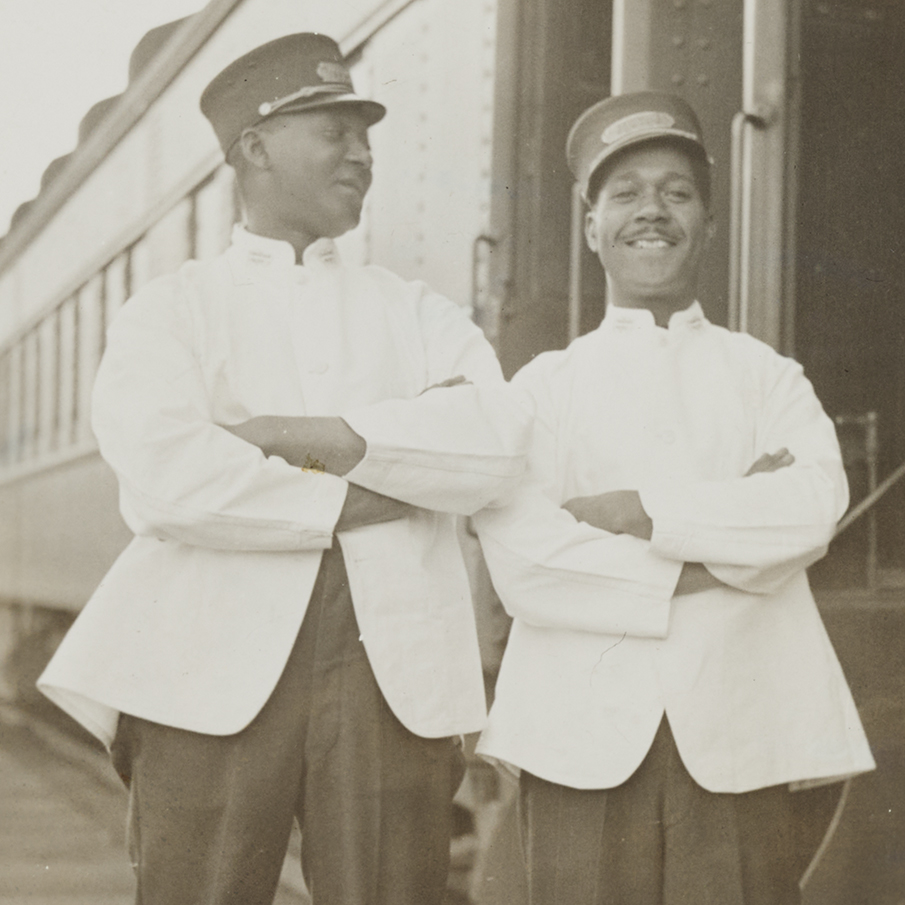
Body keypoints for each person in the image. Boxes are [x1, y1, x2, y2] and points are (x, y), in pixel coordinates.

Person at [38, 32, 530, 905]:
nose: (362, 153)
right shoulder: (172, 312)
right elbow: (167, 480)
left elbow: (493, 445)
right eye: (333, 131)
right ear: (254, 148)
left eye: (365, 134)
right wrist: (388, 483)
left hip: (390, 678)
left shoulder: (417, 311)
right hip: (204, 678)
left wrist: (308, 437)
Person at [472, 92, 875, 905]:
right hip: (577, 737)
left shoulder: (767, 375)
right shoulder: (540, 389)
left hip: (739, 730)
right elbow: (528, 569)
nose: (651, 211)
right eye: (624, 193)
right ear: (591, 227)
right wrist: (726, 560)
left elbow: (810, 507)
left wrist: (639, 512)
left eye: (676, 191)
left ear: (708, 223)